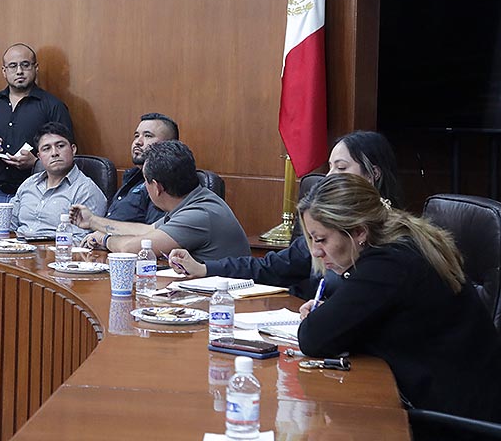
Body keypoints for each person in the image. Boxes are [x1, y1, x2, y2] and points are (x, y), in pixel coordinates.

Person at [296, 173, 501, 426]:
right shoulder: (403, 242)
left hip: (453, 421)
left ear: (359, 231)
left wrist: (323, 317)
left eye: (321, 239)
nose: (315, 251)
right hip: (462, 401)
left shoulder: (389, 264)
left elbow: (312, 338)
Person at [168, 130, 401, 298]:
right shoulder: (322, 223)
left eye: (341, 168)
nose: (329, 177)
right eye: (329, 167)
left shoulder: (391, 237)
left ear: (373, 175)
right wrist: (205, 268)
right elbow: (272, 267)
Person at [76, 140, 249, 259]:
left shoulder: (199, 214)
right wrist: (92, 221)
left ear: (157, 187)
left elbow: (132, 248)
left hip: (223, 299)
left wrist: (105, 240)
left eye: (145, 181)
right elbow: (147, 231)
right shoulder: (192, 200)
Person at [0, 44, 73, 207]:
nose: (19, 71)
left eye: (25, 65)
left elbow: (67, 153)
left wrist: (36, 163)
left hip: (39, 195)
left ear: (35, 68)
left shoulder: (53, 106)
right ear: (4, 71)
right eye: (13, 66)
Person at [9, 122, 106, 241]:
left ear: (73, 149)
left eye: (60, 146)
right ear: (39, 157)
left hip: (57, 250)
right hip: (17, 247)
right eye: (46, 149)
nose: (54, 153)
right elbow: (9, 225)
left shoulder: (86, 190)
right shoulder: (29, 184)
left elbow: (81, 240)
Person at [103, 112, 178, 223]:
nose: (138, 142)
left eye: (148, 136)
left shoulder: (165, 184)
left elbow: (153, 231)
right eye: (136, 136)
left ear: (169, 145)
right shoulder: (133, 177)